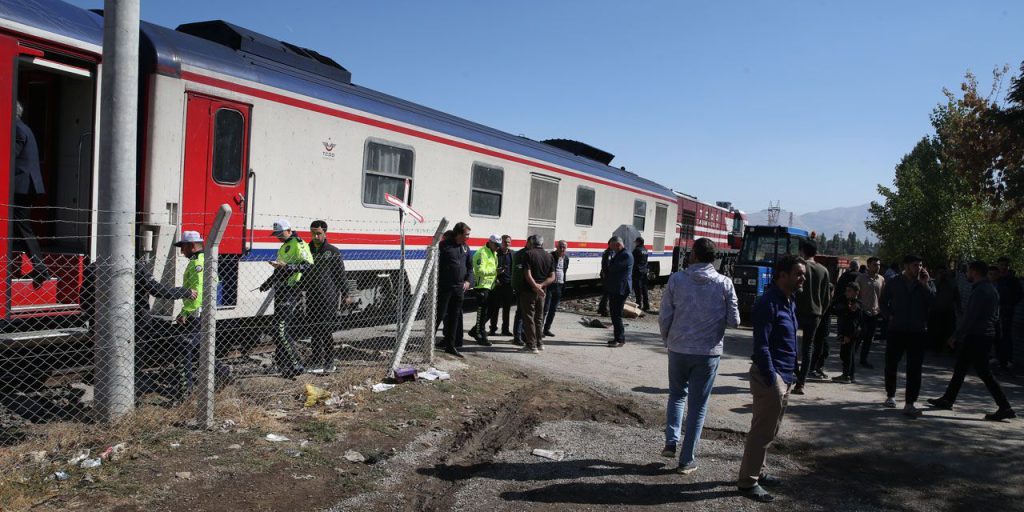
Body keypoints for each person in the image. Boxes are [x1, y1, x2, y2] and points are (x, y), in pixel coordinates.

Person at [659, 238, 739, 474]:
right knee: (698, 406)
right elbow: (735, 321)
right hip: (707, 353)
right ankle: (686, 460)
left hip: (678, 348)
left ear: (693, 254)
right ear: (714, 257)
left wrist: (668, 340)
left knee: (676, 395)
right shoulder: (724, 283)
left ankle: (671, 442)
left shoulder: (676, 280)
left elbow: (664, 316)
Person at [737, 254, 805, 503]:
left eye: (803, 274)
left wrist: (792, 373)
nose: (802, 278)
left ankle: (758, 472)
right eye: (798, 273)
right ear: (782, 275)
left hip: (785, 374)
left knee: (770, 430)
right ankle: (747, 483)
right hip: (772, 375)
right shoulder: (768, 303)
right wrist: (772, 377)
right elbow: (762, 345)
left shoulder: (789, 301)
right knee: (761, 432)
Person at [928, 260, 1016, 420]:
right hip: (982, 335)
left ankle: (1005, 407)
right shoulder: (991, 289)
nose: (966, 274)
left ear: (974, 272)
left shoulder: (981, 291)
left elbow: (970, 318)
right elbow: (996, 317)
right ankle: (948, 399)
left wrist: (956, 336)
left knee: (984, 373)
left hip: (977, 336)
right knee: (960, 368)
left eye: (968, 271)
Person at [880, 255, 935, 417]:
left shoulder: (925, 282)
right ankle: (890, 395)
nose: (918, 268)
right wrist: (889, 315)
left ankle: (910, 403)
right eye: (915, 265)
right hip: (896, 330)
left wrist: (925, 285)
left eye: (920, 265)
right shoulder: (895, 282)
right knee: (891, 364)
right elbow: (883, 301)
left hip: (917, 332)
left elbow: (934, 302)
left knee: (915, 369)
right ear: (906, 266)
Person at [258, 219, 314, 378]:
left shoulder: (299, 243)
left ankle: (296, 364)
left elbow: (308, 266)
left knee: (281, 330)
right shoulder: (283, 247)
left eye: (280, 234)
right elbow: (279, 270)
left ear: (289, 230)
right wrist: (267, 283)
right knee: (280, 329)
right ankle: (283, 364)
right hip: (281, 290)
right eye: (276, 234)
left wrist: (287, 267)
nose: (278, 237)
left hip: (292, 289)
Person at [12, 101, 50, 286]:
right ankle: (37, 266)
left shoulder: (17, 130)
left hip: (21, 187)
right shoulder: (23, 128)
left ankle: (40, 267)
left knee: (21, 226)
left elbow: (10, 156)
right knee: (18, 226)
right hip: (25, 186)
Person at [304, 220, 349, 372]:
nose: (315, 236)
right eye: (313, 233)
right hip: (311, 295)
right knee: (314, 330)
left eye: (318, 233)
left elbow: (340, 275)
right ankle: (316, 359)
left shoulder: (333, 251)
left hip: (328, 297)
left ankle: (329, 361)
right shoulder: (307, 250)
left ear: (325, 233)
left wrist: (345, 293)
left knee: (326, 330)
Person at [170, 231, 206, 400]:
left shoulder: (198, 263)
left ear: (192, 246)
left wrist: (187, 312)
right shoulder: (200, 260)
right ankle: (222, 374)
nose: (181, 251)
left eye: (183, 247)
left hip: (195, 313)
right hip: (196, 312)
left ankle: (185, 392)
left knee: (183, 348)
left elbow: (197, 292)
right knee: (200, 348)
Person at [793, 240, 830, 394]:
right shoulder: (823, 270)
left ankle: (793, 374)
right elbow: (827, 297)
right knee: (808, 347)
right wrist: (821, 312)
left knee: (791, 343)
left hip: (796, 312)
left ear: (802, 251)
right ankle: (801, 383)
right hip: (815, 314)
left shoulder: (799, 267)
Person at [436, 222, 473, 358]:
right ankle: (427, 343)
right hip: (445, 287)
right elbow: (435, 265)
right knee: (439, 315)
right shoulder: (444, 246)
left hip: (459, 288)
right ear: (458, 234)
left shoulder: (465, 248)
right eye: (466, 234)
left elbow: (470, 267)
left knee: (454, 317)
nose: (468, 237)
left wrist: (468, 281)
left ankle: (450, 346)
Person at [519, 235, 554, 353]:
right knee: (539, 318)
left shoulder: (528, 254)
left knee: (529, 318)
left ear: (532, 243)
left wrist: (535, 286)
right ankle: (540, 343)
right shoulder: (549, 256)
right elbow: (553, 277)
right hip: (542, 292)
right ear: (542, 243)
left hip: (529, 291)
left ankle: (531, 345)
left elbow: (527, 274)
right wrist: (541, 286)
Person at [468, 234, 499, 346]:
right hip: (481, 286)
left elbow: (492, 268)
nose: (497, 247)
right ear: (490, 242)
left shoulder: (494, 252)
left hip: (490, 286)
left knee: (491, 310)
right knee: (482, 312)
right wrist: (495, 273)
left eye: (498, 245)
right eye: (496, 245)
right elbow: (479, 270)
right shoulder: (482, 253)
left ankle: (474, 331)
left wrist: (496, 277)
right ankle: (480, 334)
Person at [856, 257, 886, 369]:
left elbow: (883, 297)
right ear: (868, 265)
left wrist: (881, 310)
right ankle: (850, 358)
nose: (877, 267)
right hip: (862, 312)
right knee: (859, 336)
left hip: (874, 313)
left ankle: (863, 360)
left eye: (878, 265)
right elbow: (855, 294)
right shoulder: (861, 278)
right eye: (875, 265)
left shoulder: (881, 279)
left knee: (869, 338)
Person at [604, 236, 633, 347]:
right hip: (617, 288)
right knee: (614, 314)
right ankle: (618, 338)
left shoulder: (625, 255)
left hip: (620, 289)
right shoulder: (621, 254)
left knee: (616, 315)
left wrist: (608, 260)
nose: (611, 249)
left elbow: (613, 268)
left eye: (612, 246)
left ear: (618, 244)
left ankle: (620, 339)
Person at [832, 282, 863, 383]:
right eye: (846, 290)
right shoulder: (845, 300)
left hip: (850, 333)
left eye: (849, 291)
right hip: (846, 332)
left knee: (847, 354)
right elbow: (834, 305)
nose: (847, 293)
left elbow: (853, 322)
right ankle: (850, 375)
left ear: (856, 292)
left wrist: (848, 335)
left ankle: (846, 375)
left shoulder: (856, 304)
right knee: (847, 353)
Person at [994, 257, 1022, 371]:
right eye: (1001, 265)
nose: (1003, 267)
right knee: (996, 335)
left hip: (1006, 311)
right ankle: (997, 358)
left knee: (1006, 335)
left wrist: (1010, 304)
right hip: (995, 311)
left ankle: (1007, 360)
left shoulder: (1012, 280)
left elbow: (1019, 295)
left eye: (1005, 265)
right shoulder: (996, 279)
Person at [928, 268, 961, 352]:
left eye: (944, 273)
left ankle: (950, 348)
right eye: (940, 273)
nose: (943, 274)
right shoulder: (934, 282)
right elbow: (930, 294)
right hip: (936, 311)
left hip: (949, 311)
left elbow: (957, 297)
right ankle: (936, 348)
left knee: (949, 331)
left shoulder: (952, 283)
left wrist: (959, 308)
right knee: (936, 331)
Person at [488, 235, 515, 337]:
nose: (506, 244)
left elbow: (513, 269)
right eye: (504, 242)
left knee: (506, 309)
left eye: (508, 242)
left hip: (508, 285)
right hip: (497, 285)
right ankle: (493, 329)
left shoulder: (512, 253)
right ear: (501, 242)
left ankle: (505, 330)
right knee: (495, 309)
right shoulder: (496, 253)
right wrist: (496, 279)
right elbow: (491, 268)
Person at [511, 236, 535, 346]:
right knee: (521, 313)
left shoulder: (530, 253)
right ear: (528, 243)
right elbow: (517, 273)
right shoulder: (521, 254)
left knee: (526, 313)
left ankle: (523, 334)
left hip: (528, 288)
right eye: (532, 243)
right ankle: (517, 336)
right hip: (522, 288)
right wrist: (516, 287)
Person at [543, 240, 570, 338]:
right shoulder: (550, 256)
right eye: (560, 247)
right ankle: (539, 329)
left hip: (559, 285)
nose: (562, 249)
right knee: (545, 309)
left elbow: (564, 271)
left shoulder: (566, 258)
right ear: (556, 247)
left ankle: (547, 329)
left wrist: (563, 285)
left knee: (553, 310)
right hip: (550, 286)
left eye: (564, 247)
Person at [632, 237, 651, 311]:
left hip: (637, 272)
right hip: (644, 271)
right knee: (644, 289)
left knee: (637, 290)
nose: (635, 243)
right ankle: (646, 306)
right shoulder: (645, 250)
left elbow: (633, 261)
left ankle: (639, 305)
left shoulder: (637, 250)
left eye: (636, 242)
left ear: (639, 242)